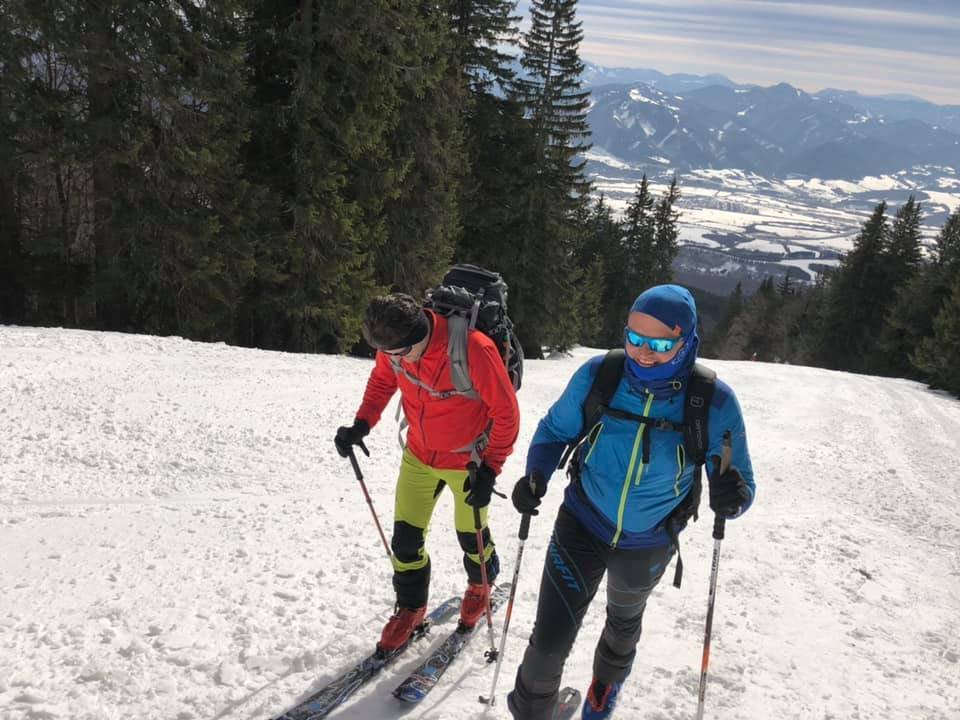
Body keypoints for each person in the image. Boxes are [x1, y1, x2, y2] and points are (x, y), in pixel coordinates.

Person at [506, 284, 755, 719]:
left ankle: (602, 695)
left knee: (622, 628)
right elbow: (555, 430)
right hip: (582, 522)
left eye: (659, 344)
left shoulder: (711, 401)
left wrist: (732, 494)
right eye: (634, 339)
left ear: (687, 340)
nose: (643, 353)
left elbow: (740, 478)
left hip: (649, 541)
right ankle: (531, 710)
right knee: (549, 638)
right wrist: (535, 476)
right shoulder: (600, 376)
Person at [335, 293, 520, 652]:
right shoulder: (394, 347)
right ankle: (410, 608)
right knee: (405, 540)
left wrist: (491, 468)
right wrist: (361, 424)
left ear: (418, 335)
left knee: (472, 538)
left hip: (467, 462)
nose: (391, 360)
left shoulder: (473, 349)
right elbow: (381, 382)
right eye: (386, 353)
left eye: (398, 354)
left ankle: (480, 588)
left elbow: (507, 414)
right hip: (419, 455)